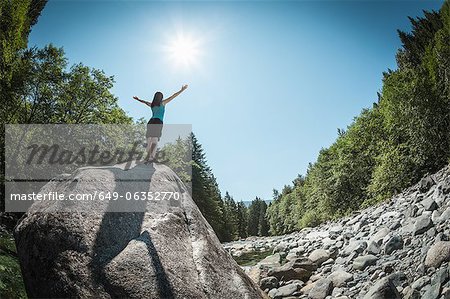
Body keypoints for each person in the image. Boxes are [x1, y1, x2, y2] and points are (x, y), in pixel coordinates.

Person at [133, 84, 188, 163]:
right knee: (154, 139)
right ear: (161, 97)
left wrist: (138, 99)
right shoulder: (162, 103)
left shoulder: (152, 105)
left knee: (149, 139)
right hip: (158, 122)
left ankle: (148, 156)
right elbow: (173, 96)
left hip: (151, 121)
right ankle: (151, 157)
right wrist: (182, 90)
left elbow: (144, 102)